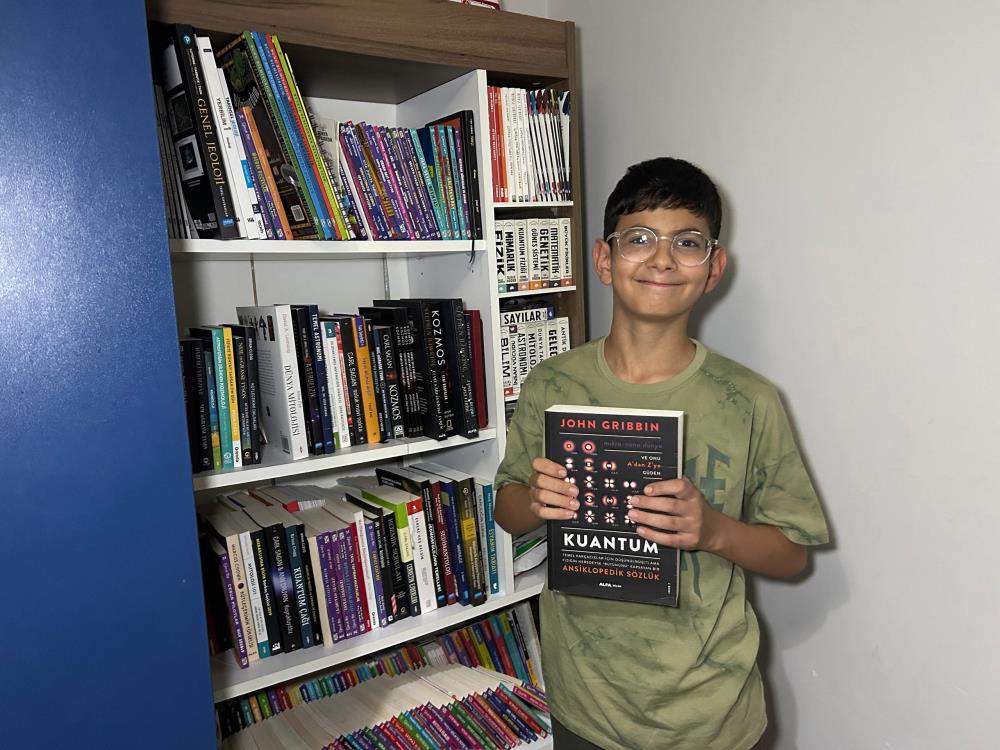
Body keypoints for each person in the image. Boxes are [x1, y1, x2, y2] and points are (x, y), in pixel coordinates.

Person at [493, 157, 830, 750]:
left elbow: (792, 555)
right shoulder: (552, 383)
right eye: (638, 239)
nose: (662, 259)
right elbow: (507, 508)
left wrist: (714, 531)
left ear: (714, 268)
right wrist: (536, 502)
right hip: (585, 706)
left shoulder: (749, 400)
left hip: (710, 717)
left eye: (688, 242)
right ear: (604, 259)